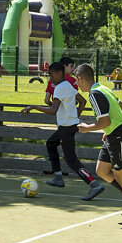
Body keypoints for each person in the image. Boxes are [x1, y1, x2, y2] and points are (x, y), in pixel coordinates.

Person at [74, 63, 122, 222]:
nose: (77, 85)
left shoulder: (94, 95)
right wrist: (108, 130)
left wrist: (87, 128)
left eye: (76, 81)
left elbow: (105, 121)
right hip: (113, 134)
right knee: (102, 170)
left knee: (120, 175)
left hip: (120, 135)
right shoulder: (103, 88)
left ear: (81, 78)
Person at [22, 61, 104, 201]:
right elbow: (82, 101)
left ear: (59, 73)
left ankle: (94, 184)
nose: (50, 78)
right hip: (69, 125)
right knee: (51, 143)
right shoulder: (68, 85)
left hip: (66, 127)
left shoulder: (60, 88)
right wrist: (75, 116)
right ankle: (58, 177)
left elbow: (53, 109)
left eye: (51, 75)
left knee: (71, 160)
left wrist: (33, 107)